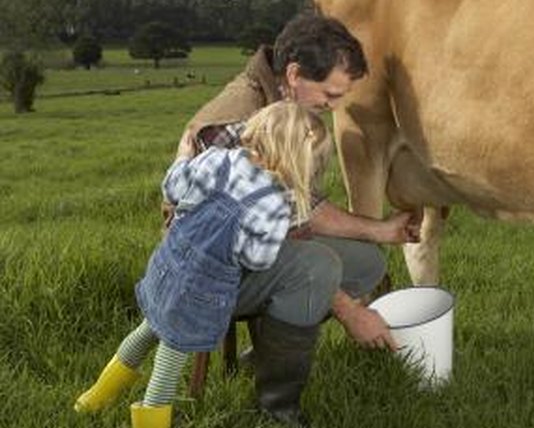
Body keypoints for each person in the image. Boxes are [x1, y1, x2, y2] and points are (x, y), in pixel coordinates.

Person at [160, 13, 420, 426]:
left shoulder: (284, 107)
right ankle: (277, 408)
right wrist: (351, 312)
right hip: (205, 274)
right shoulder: (240, 121)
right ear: (295, 74)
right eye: (330, 95)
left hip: (247, 249)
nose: (334, 108)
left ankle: (268, 350)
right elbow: (265, 237)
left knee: (366, 261)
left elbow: (304, 207)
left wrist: (382, 231)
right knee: (317, 267)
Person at [74, 101, 330, 427]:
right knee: (168, 365)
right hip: (200, 293)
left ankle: (94, 399)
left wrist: (183, 156)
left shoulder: (216, 159)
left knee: (145, 331)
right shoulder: (275, 205)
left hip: (167, 268)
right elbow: (258, 259)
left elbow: (173, 188)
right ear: (305, 161)